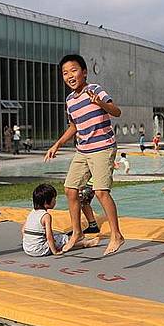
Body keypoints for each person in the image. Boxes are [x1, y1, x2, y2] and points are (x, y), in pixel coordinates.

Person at [44, 54, 125, 255]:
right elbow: (74, 126)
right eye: (65, 73)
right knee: (70, 189)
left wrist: (101, 104)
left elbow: (117, 112)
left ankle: (117, 235)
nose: (69, 75)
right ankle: (78, 234)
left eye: (74, 70)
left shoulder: (95, 90)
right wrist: (58, 144)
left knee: (100, 192)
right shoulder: (70, 100)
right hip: (83, 150)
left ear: (84, 72)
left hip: (103, 147)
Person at [22, 184, 100, 257]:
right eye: (54, 199)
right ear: (46, 202)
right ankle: (84, 243)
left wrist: (29, 242)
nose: (55, 201)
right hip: (39, 250)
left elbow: (23, 230)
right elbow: (49, 237)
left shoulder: (32, 213)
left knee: (57, 238)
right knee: (61, 239)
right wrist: (54, 251)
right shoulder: (46, 216)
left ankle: (81, 241)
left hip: (27, 249)